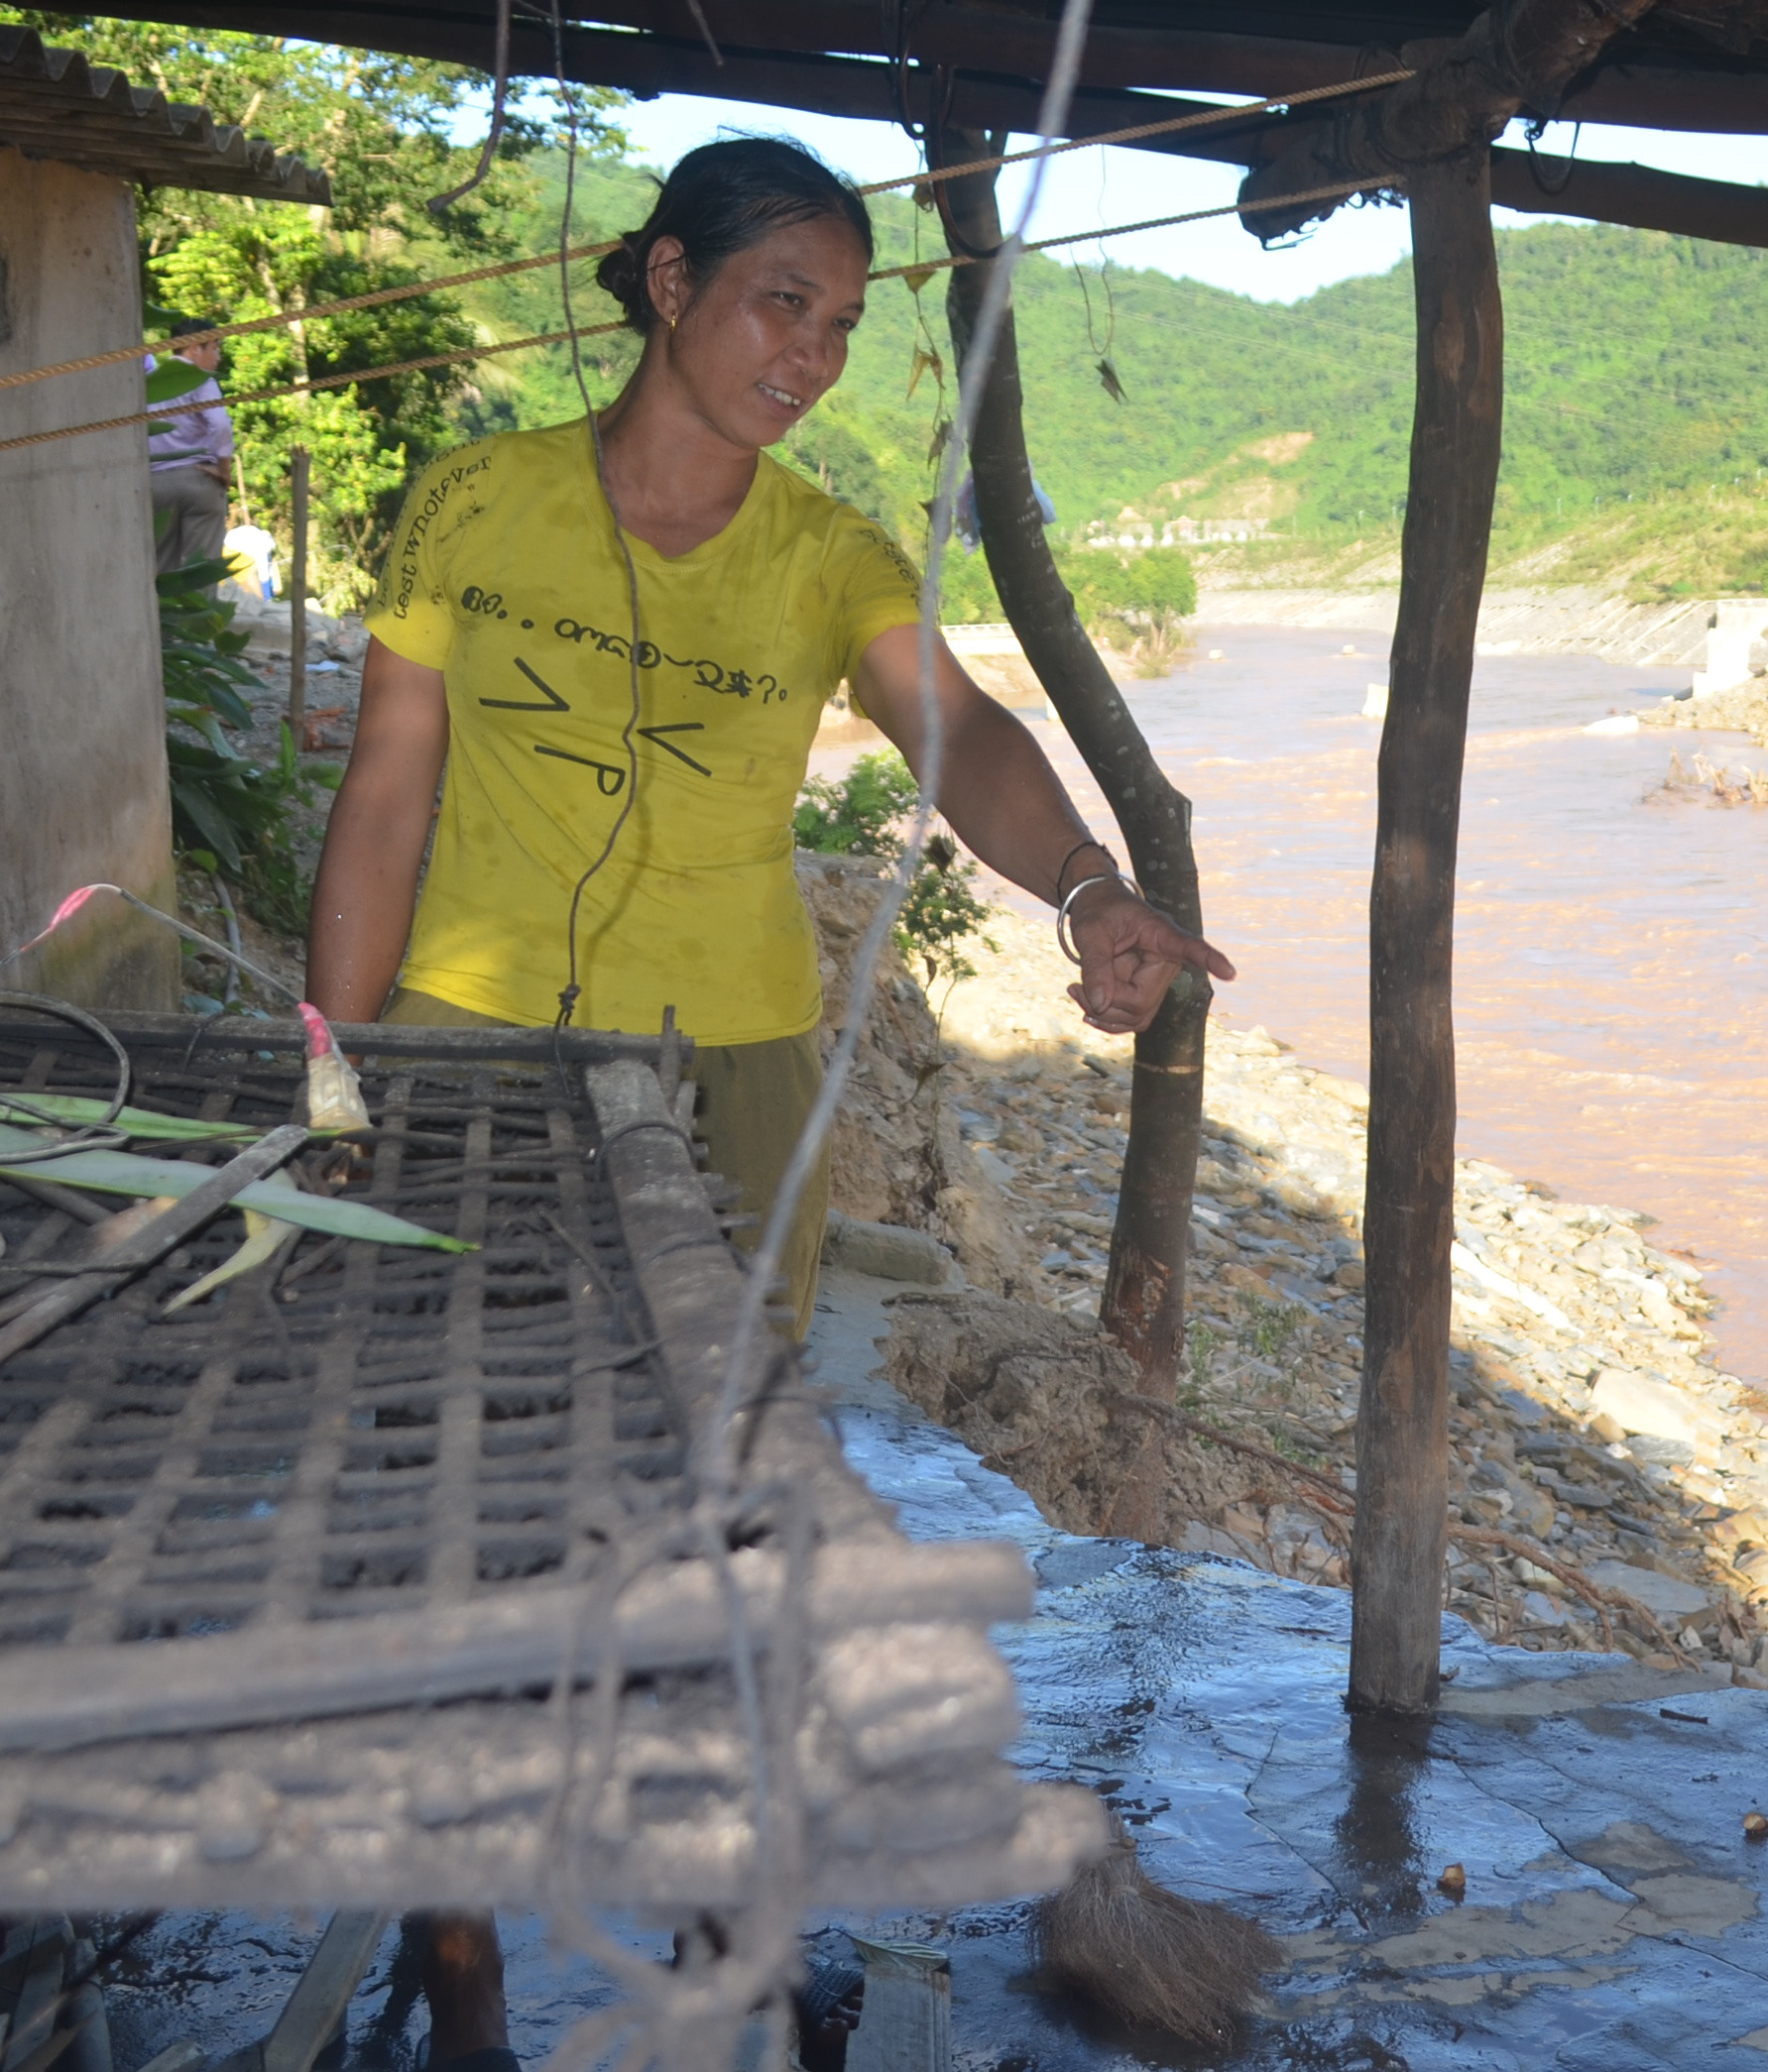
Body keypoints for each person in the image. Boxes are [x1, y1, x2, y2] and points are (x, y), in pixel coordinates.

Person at [304, 137, 1231, 1341]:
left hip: (733, 1065)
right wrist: (334, 1075)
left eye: (842, 322)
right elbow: (382, 802)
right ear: (674, 283)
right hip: (468, 1030)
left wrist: (1090, 887)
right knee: (430, 1387)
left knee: (714, 1427)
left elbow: (960, 729)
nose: (818, 355)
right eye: (785, 302)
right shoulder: (473, 500)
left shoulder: (832, 556)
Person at [143, 314, 236, 571]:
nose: (217, 357)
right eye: (215, 348)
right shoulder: (200, 380)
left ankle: (163, 612)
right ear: (195, 348)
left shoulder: (150, 383)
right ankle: (203, 612)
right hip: (198, 479)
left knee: (162, 570)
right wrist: (224, 469)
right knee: (202, 568)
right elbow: (221, 424)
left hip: (157, 484)